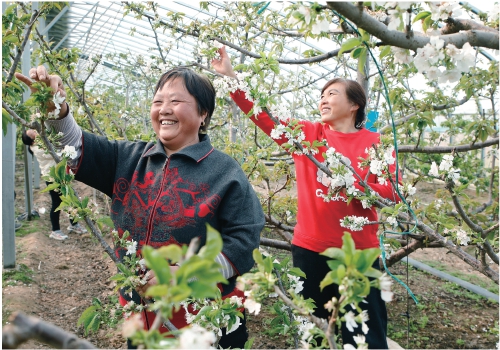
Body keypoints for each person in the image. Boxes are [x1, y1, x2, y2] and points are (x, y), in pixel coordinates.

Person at [15, 65, 265, 348]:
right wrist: (56, 109)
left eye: (176, 101)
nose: (164, 109)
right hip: (141, 315)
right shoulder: (130, 158)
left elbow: (244, 241)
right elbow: (78, 146)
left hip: (204, 321)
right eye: (158, 101)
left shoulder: (225, 172)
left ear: (203, 113)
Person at [212, 46, 400, 349]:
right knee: (311, 331)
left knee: (366, 334)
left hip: (360, 256)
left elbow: (393, 195)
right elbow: (263, 116)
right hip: (310, 252)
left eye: (333, 93)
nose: (324, 99)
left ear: (354, 104)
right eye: (322, 95)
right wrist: (231, 77)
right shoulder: (308, 136)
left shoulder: (376, 143)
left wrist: (354, 184)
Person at [21, 129, 88, 240]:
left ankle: (74, 224)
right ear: (32, 141)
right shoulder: (38, 149)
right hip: (53, 178)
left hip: (61, 175)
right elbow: (58, 154)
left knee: (70, 199)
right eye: (33, 134)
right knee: (57, 203)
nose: (36, 132)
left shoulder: (42, 144)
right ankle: (55, 230)